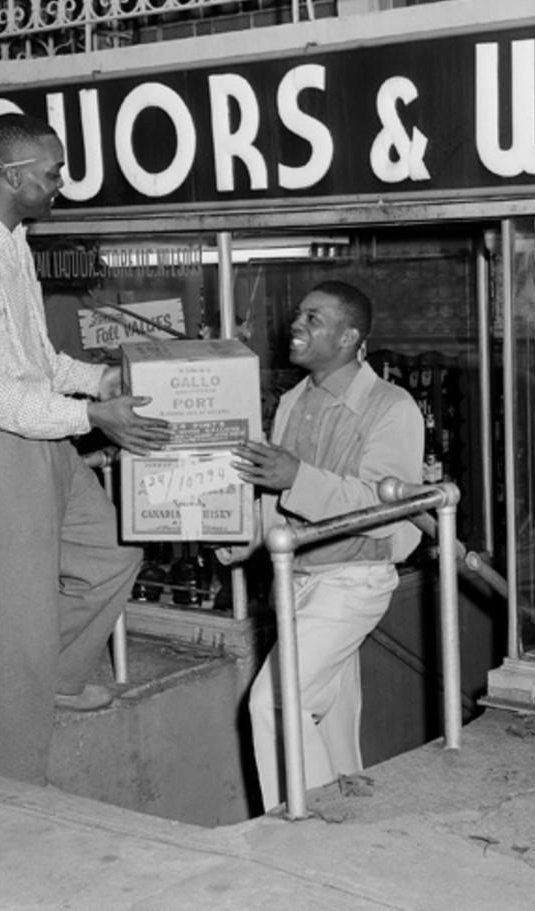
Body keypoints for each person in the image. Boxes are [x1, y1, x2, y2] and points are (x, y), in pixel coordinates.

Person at [0, 113, 171, 785]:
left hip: (35, 430)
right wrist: (96, 417)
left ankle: (55, 678)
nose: (61, 183)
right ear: (10, 174)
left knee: (111, 551)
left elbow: (39, 362)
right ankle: (13, 779)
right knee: (14, 612)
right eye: (52, 172)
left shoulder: (10, 241)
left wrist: (102, 381)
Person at [228, 280, 423, 811]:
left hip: (352, 581)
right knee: (330, 723)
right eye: (298, 315)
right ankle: (351, 826)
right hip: (298, 583)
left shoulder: (391, 406)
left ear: (348, 336)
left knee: (276, 703)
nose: (297, 325)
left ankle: (304, 832)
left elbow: (383, 510)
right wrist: (238, 538)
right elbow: (278, 504)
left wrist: (296, 476)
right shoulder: (294, 400)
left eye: (314, 319)